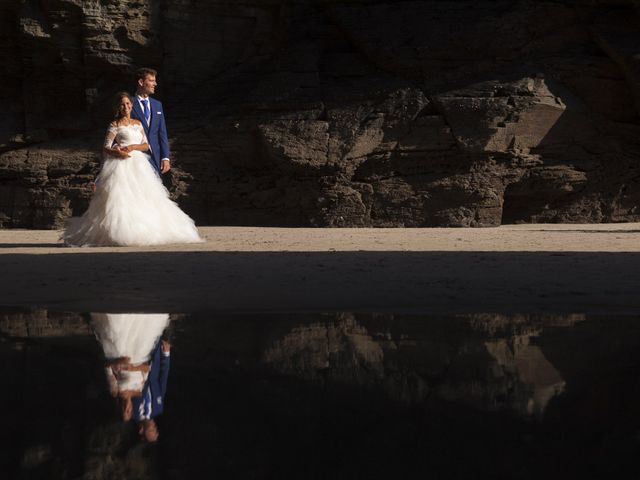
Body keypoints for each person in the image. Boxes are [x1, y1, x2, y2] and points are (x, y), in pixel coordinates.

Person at [61, 91, 202, 246]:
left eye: (128, 104)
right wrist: (117, 152)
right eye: (122, 104)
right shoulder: (114, 125)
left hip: (138, 163)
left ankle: (147, 229)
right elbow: (106, 147)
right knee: (121, 197)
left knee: (145, 196)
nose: (126, 107)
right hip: (120, 164)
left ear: (131, 105)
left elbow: (145, 144)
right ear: (118, 107)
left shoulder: (137, 123)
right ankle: (118, 233)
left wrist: (133, 146)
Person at [90, 313, 171, 427]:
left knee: (121, 326)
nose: (127, 409)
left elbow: (107, 368)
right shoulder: (138, 392)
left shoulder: (115, 391)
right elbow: (147, 369)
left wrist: (118, 363)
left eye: (124, 411)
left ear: (119, 408)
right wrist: (133, 368)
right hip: (139, 355)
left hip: (122, 353)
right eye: (128, 412)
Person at [130, 67, 171, 175]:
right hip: (136, 156)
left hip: (156, 157)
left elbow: (162, 132)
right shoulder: (128, 104)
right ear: (141, 82)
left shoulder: (157, 105)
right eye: (151, 80)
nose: (155, 84)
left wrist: (165, 157)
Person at [132, 337, 172, 443]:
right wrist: (166, 355)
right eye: (155, 429)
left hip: (136, 358)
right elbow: (163, 379)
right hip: (155, 357)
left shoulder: (131, 412)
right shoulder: (158, 408)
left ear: (141, 430)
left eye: (151, 429)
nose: (154, 426)